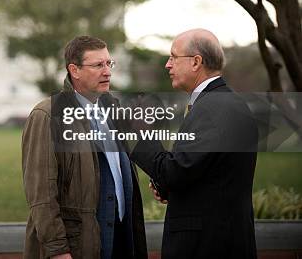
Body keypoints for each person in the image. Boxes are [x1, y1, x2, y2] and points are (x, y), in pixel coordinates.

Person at [129, 29, 258, 258]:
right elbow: (207, 172)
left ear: (196, 62)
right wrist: (168, 188)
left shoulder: (212, 108)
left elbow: (175, 171)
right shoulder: (223, 103)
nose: (168, 65)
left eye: (173, 57)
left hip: (207, 246)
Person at [22, 36, 147, 259]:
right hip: (78, 246)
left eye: (109, 63)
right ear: (74, 70)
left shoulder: (112, 109)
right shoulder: (48, 115)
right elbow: (42, 193)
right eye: (98, 65)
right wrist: (58, 250)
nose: (107, 71)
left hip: (120, 239)